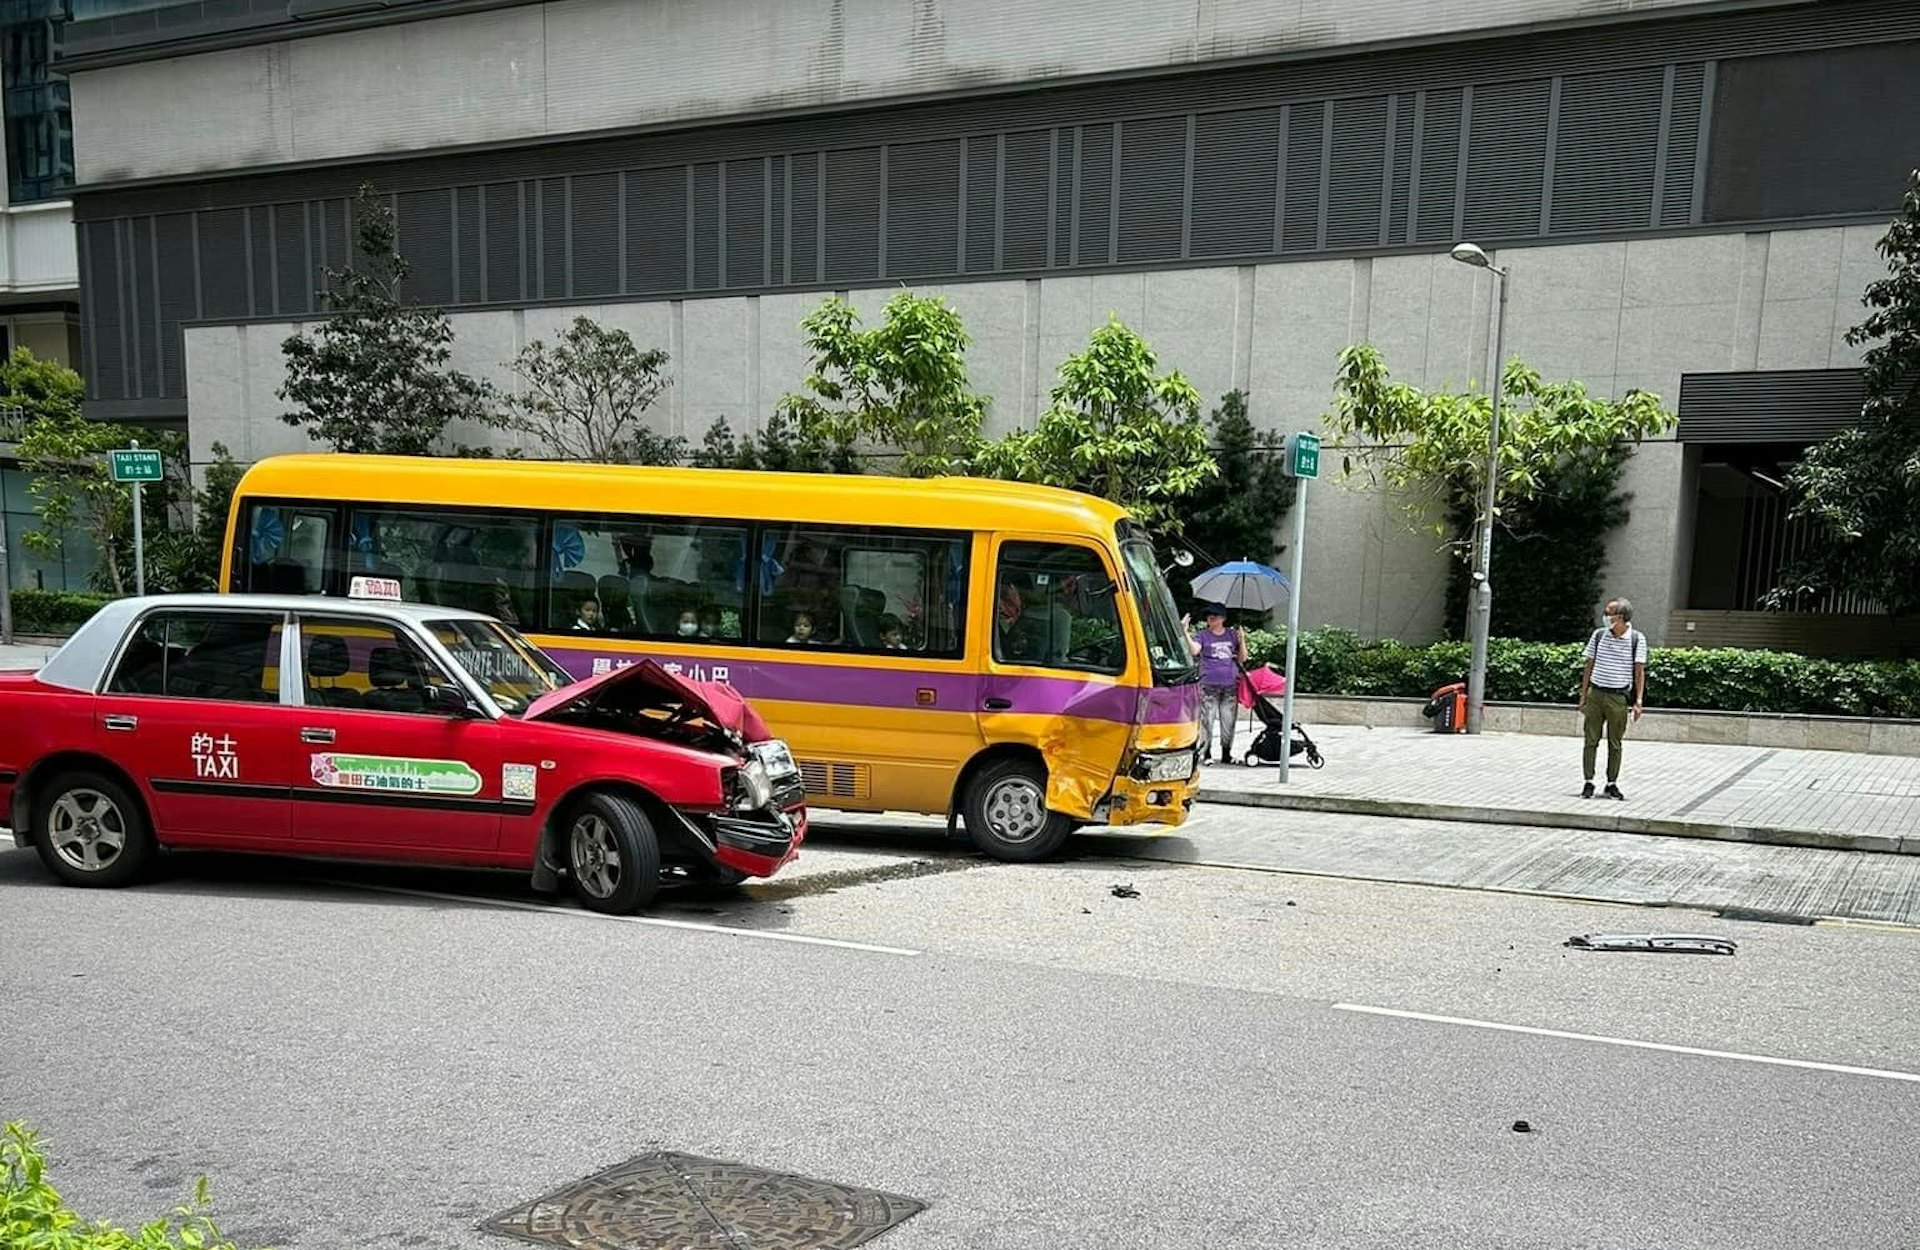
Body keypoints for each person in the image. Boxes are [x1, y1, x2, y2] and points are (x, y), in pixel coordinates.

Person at [1579, 595, 1648, 800]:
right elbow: (1588, 665)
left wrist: (1638, 701)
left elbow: (1639, 672)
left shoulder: (1636, 639)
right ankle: (1588, 781)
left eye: (1609, 614)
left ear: (1621, 617)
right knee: (1590, 739)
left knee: (1615, 742)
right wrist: (1583, 695)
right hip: (1596, 693)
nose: (1605, 617)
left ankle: (1611, 783)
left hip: (1618, 696)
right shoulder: (1599, 635)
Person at [1190, 603, 1248, 764]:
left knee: (1228, 720)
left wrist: (1242, 640)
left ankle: (1226, 753)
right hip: (1208, 685)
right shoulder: (1202, 635)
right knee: (1207, 719)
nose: (1211, 619)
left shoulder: (1231, 635)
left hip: (1230, 685)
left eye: (1214, 616)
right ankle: (1206, 753)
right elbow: (1194, 650)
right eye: (1208, 617)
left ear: (1222, 618)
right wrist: (1184, 632)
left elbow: (1243, 658)